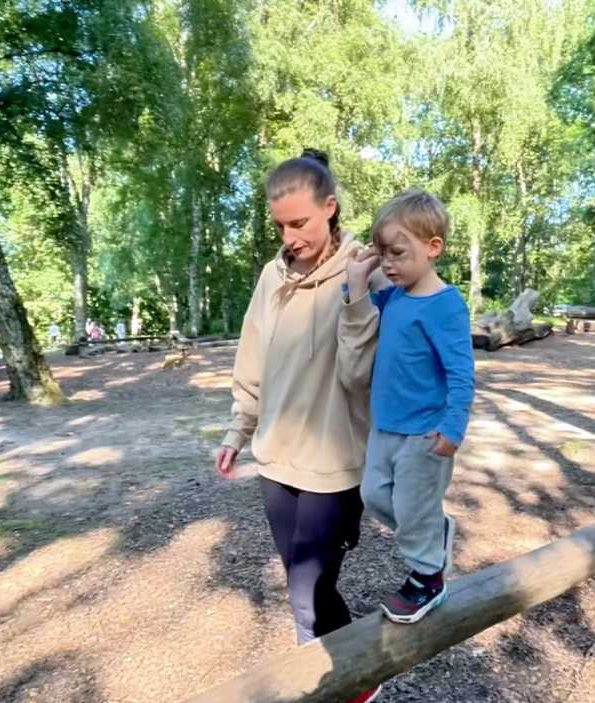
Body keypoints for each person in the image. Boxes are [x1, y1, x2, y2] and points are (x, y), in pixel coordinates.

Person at [216, 149, 383, 703]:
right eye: (281, 225)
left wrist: (358, 297)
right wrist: (238, 430)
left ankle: (334, 687)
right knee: (304, 585)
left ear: (329, 209)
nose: (290, 236)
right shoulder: (272, 276)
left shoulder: (364, 268)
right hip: (276, 460)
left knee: (305, 596)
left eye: (301, 223)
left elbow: (362, 377)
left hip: (335, 466)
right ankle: (362, 672)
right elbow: (253, 360)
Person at [347, 189, 474, 624]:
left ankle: (427, 578)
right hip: (386, 427)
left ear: (433, 247)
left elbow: (461, 372)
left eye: (397, 252)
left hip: (425, 432)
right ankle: (434, 532)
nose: (389, 263)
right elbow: (357, 301)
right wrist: (361, 272)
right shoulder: (396, 295)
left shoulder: (445, 306)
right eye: (383, 253)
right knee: (373, 495)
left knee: (412, 508)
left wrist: (453, 428)